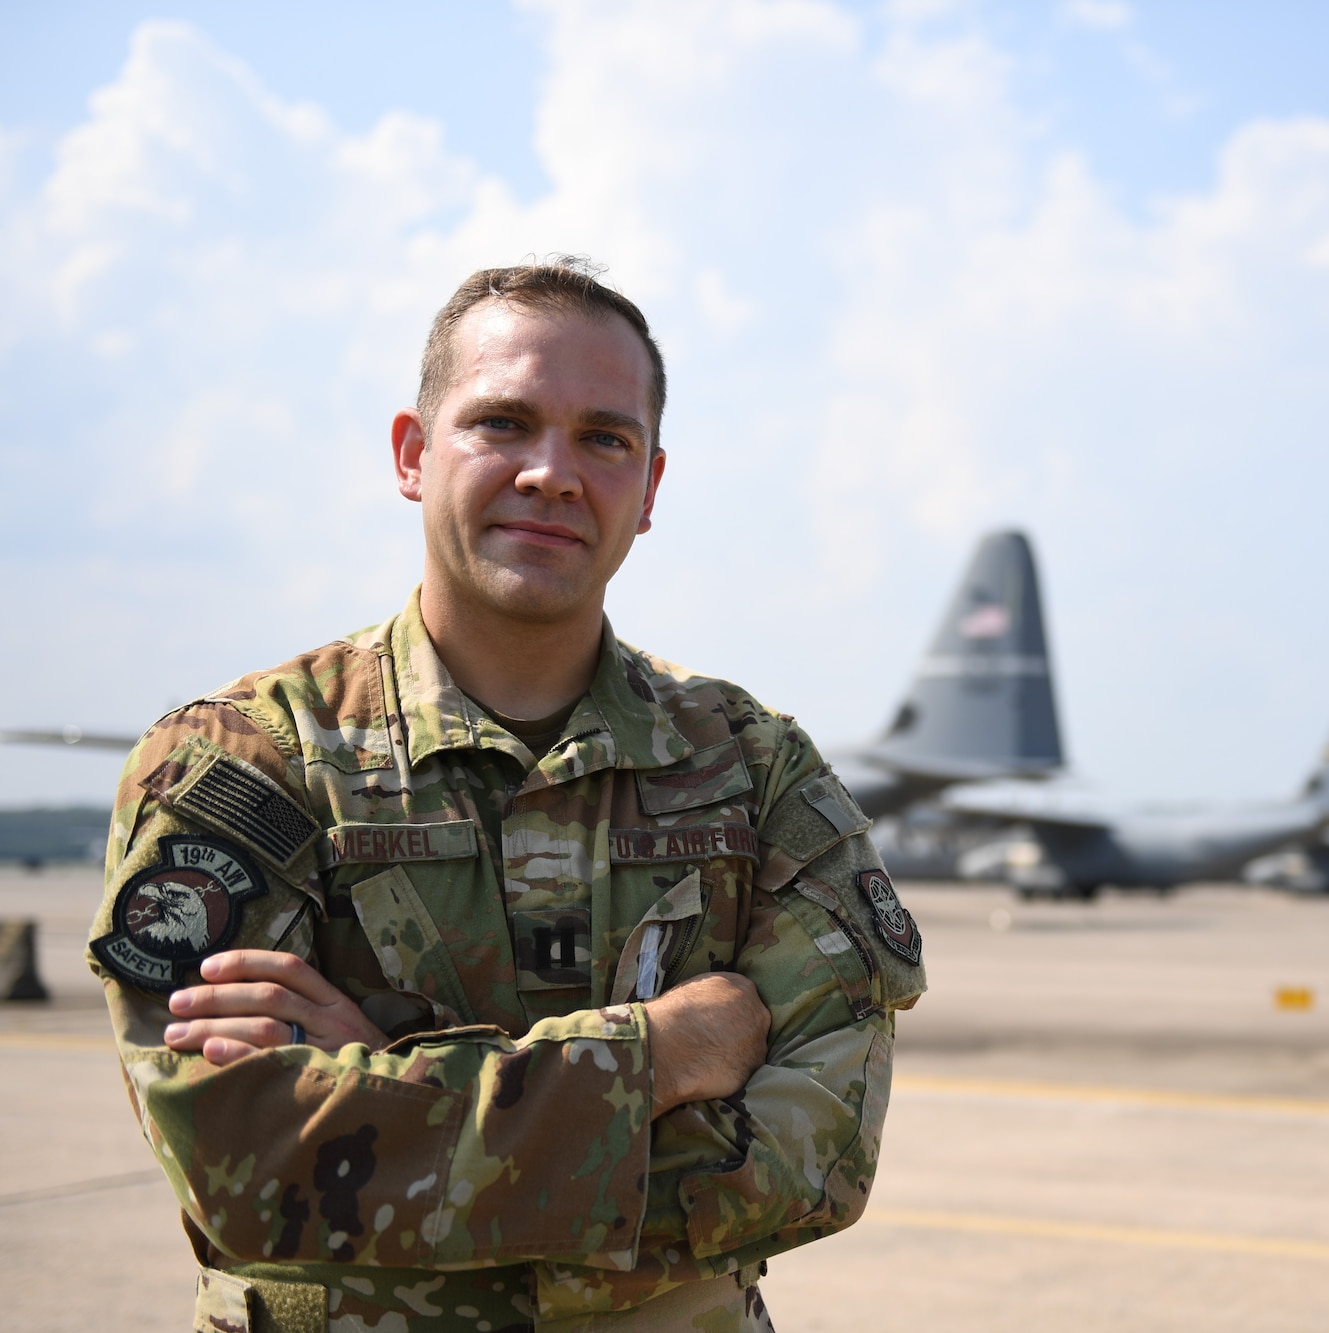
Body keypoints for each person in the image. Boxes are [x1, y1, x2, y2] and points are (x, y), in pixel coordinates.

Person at [86, 259, 926, 1333]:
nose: (551, 473)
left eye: (603, 438)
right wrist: (660, 1057)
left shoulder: (754, 771)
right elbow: (242, 1165)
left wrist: (382, 1085)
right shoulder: (247, 762)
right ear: (411, 453)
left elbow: (816, 1163)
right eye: (503, 423)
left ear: (651, 486)